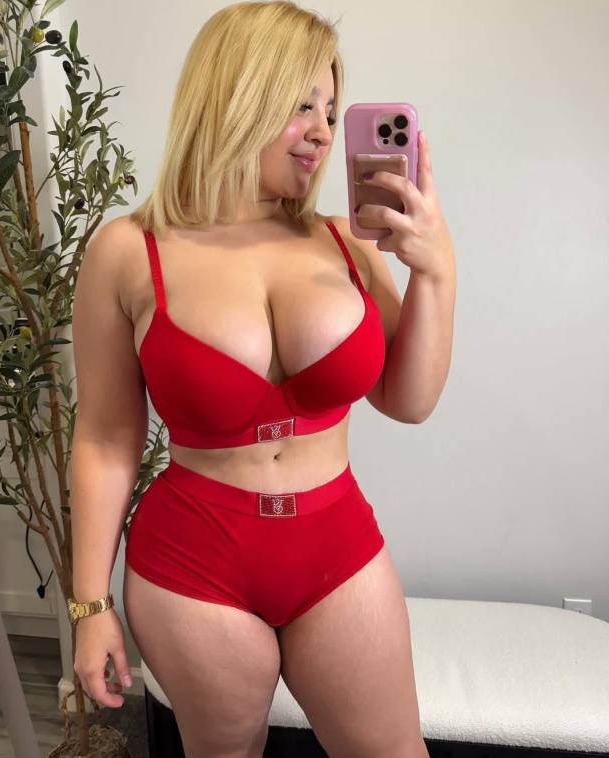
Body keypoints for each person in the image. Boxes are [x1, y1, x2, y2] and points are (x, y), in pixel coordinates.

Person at [70, 2, 455, 756]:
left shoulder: (347, 243)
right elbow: (107, 438)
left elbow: (409, 402)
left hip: (336, 549)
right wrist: (89, 606)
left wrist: (437, 271)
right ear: (235, 94)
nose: (323, 131)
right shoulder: (128, 250)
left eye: (331, 111)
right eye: (301, 104)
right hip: (192, 561)